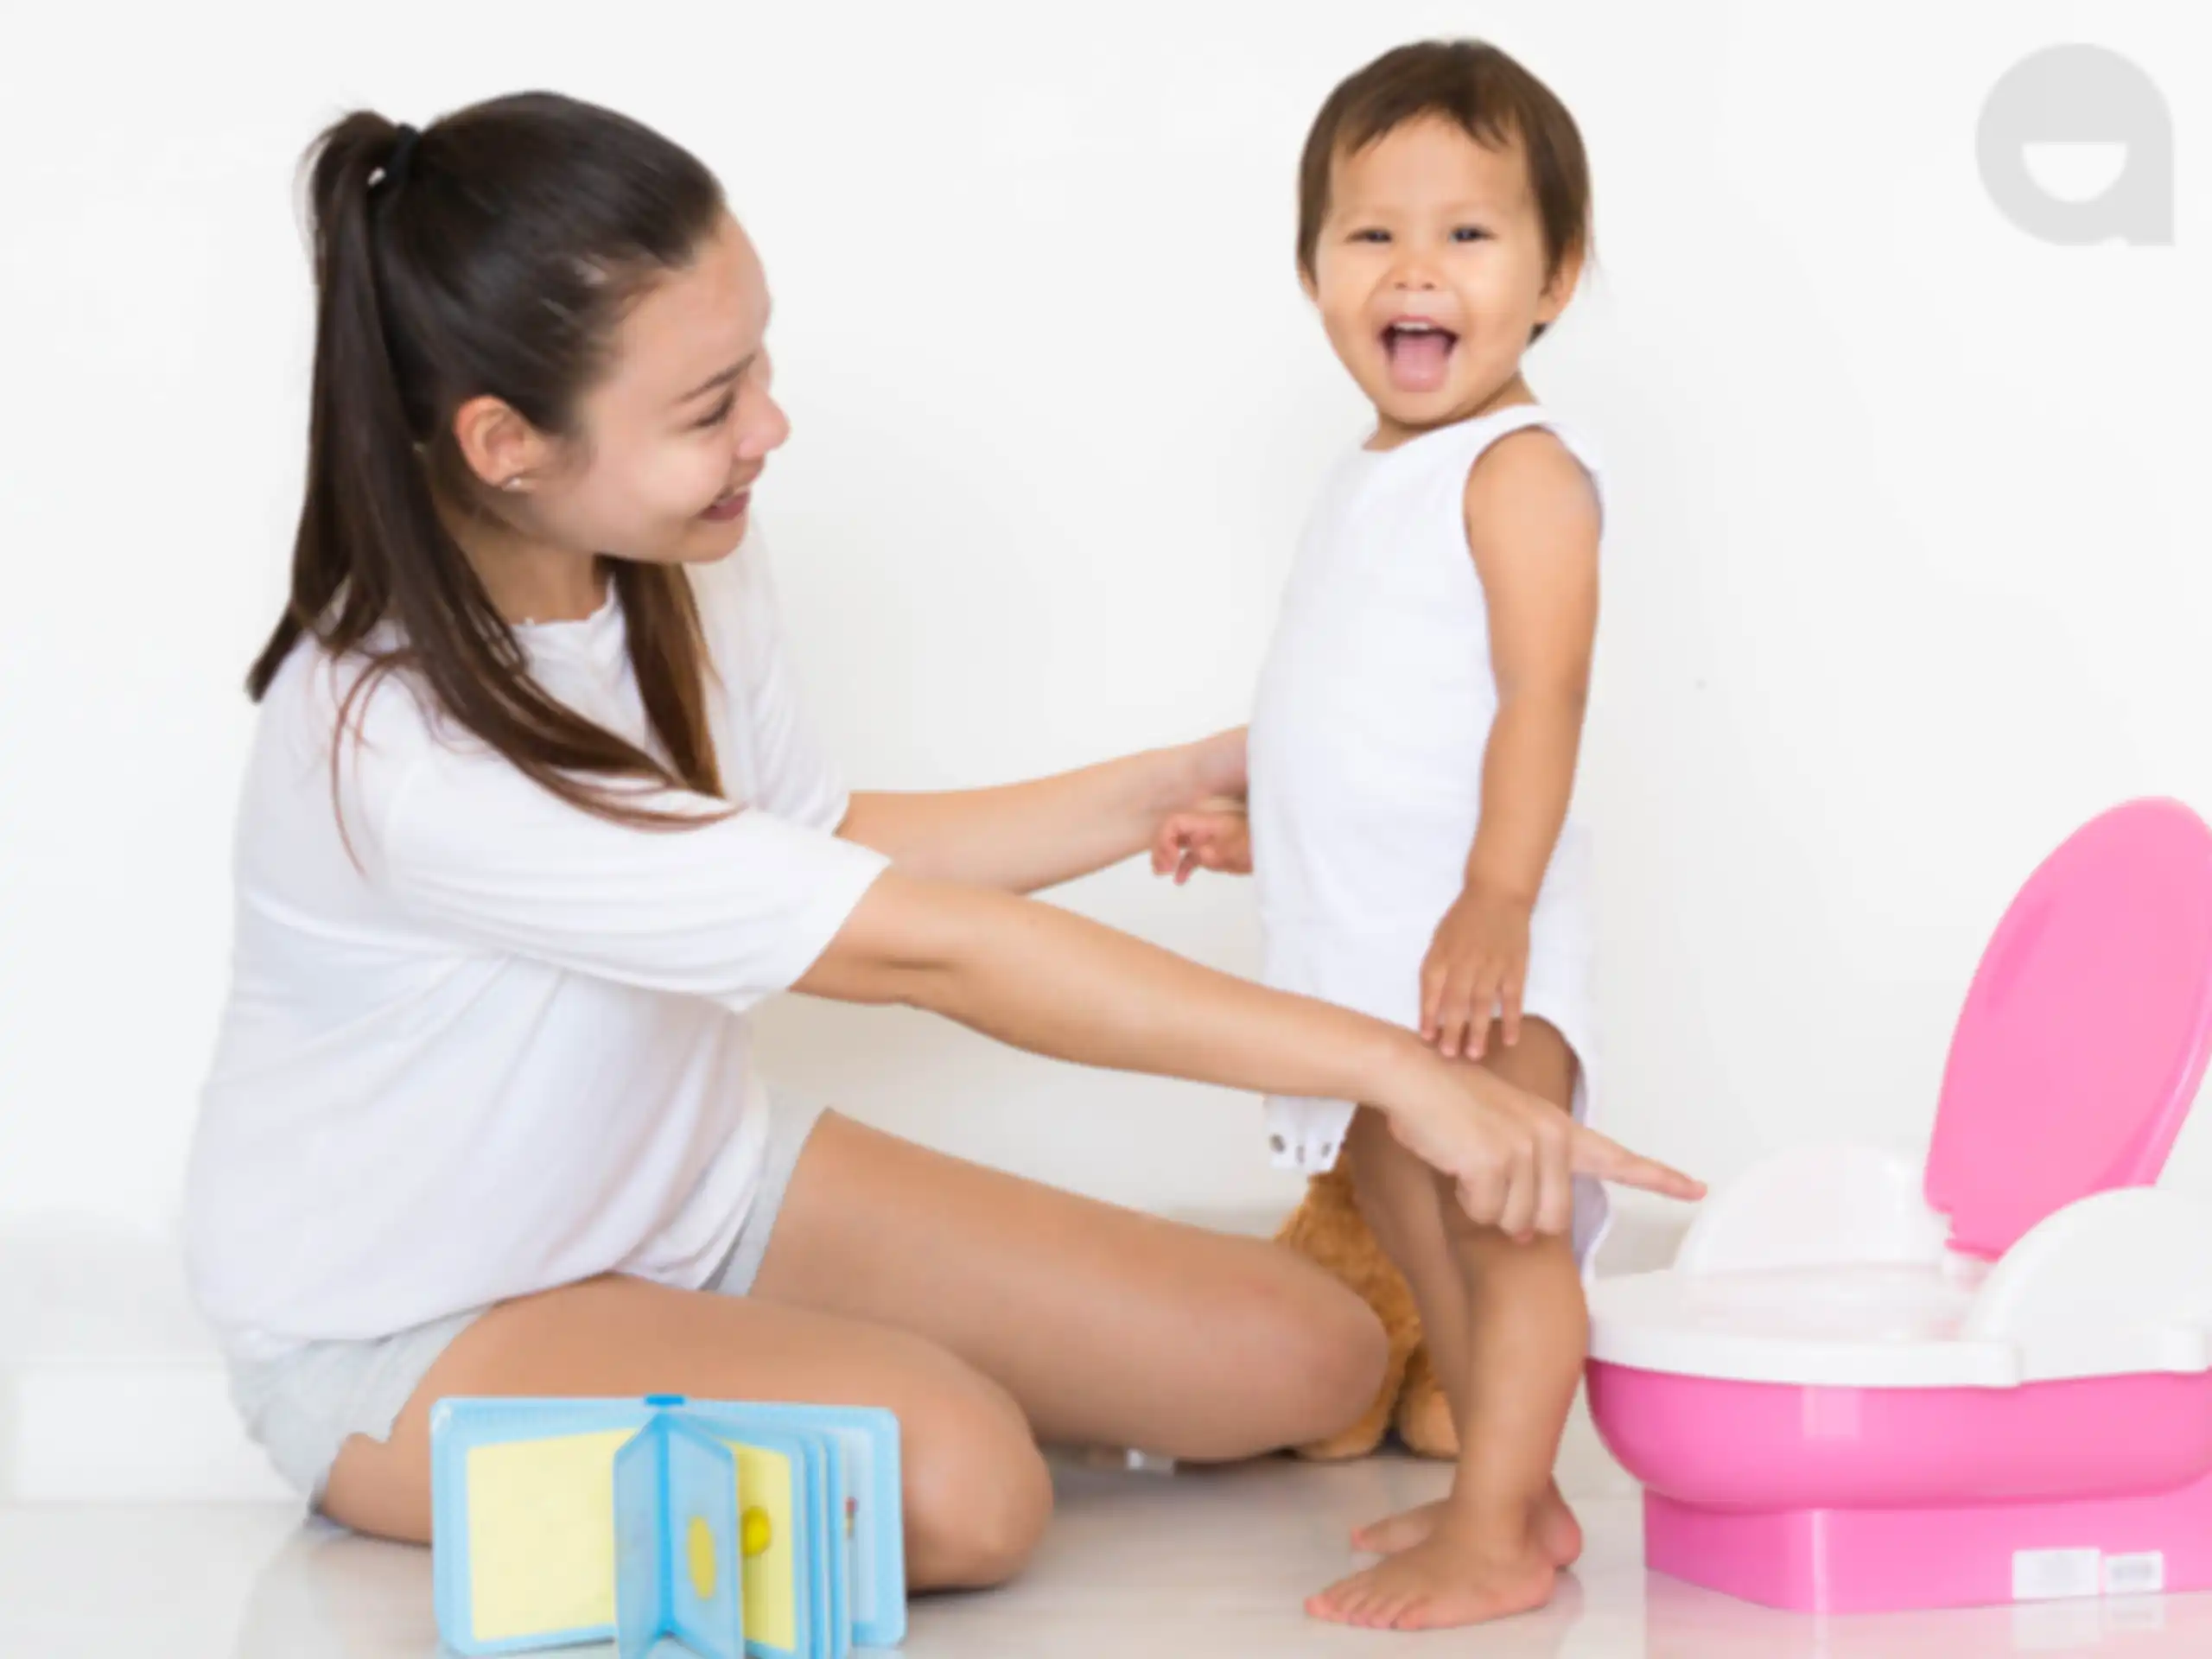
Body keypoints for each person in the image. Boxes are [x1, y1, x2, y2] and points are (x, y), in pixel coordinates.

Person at [182, 90, 1700, 1595]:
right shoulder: (395, 753)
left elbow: (814, 842)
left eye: (756, 362)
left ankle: (775, 1370)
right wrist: (1389, 1067)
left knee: (1317, 1357)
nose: (769, 427)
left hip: (688, 1194)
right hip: (411, 1321)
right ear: (506, 441)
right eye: (711, 408)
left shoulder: (673, 554)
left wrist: (1183, 782)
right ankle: (630, 1424)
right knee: (964, 1487)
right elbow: (918, 946)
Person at [1155, 38, 1627, 1631]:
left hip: (1469, 948)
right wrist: (1264, 834)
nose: (1416, 267)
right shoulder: (1376, 474)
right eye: (1372, 234)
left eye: (1471, 235)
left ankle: (1494, 1524)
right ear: (1313, 272)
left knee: (1504, 1227)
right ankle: (1518, 1491)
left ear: (1556, 273)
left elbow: (1540, 698)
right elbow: (1361, 710)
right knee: (1415, 1213)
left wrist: (1498, 897)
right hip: (1363, 945)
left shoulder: (1519, 471)